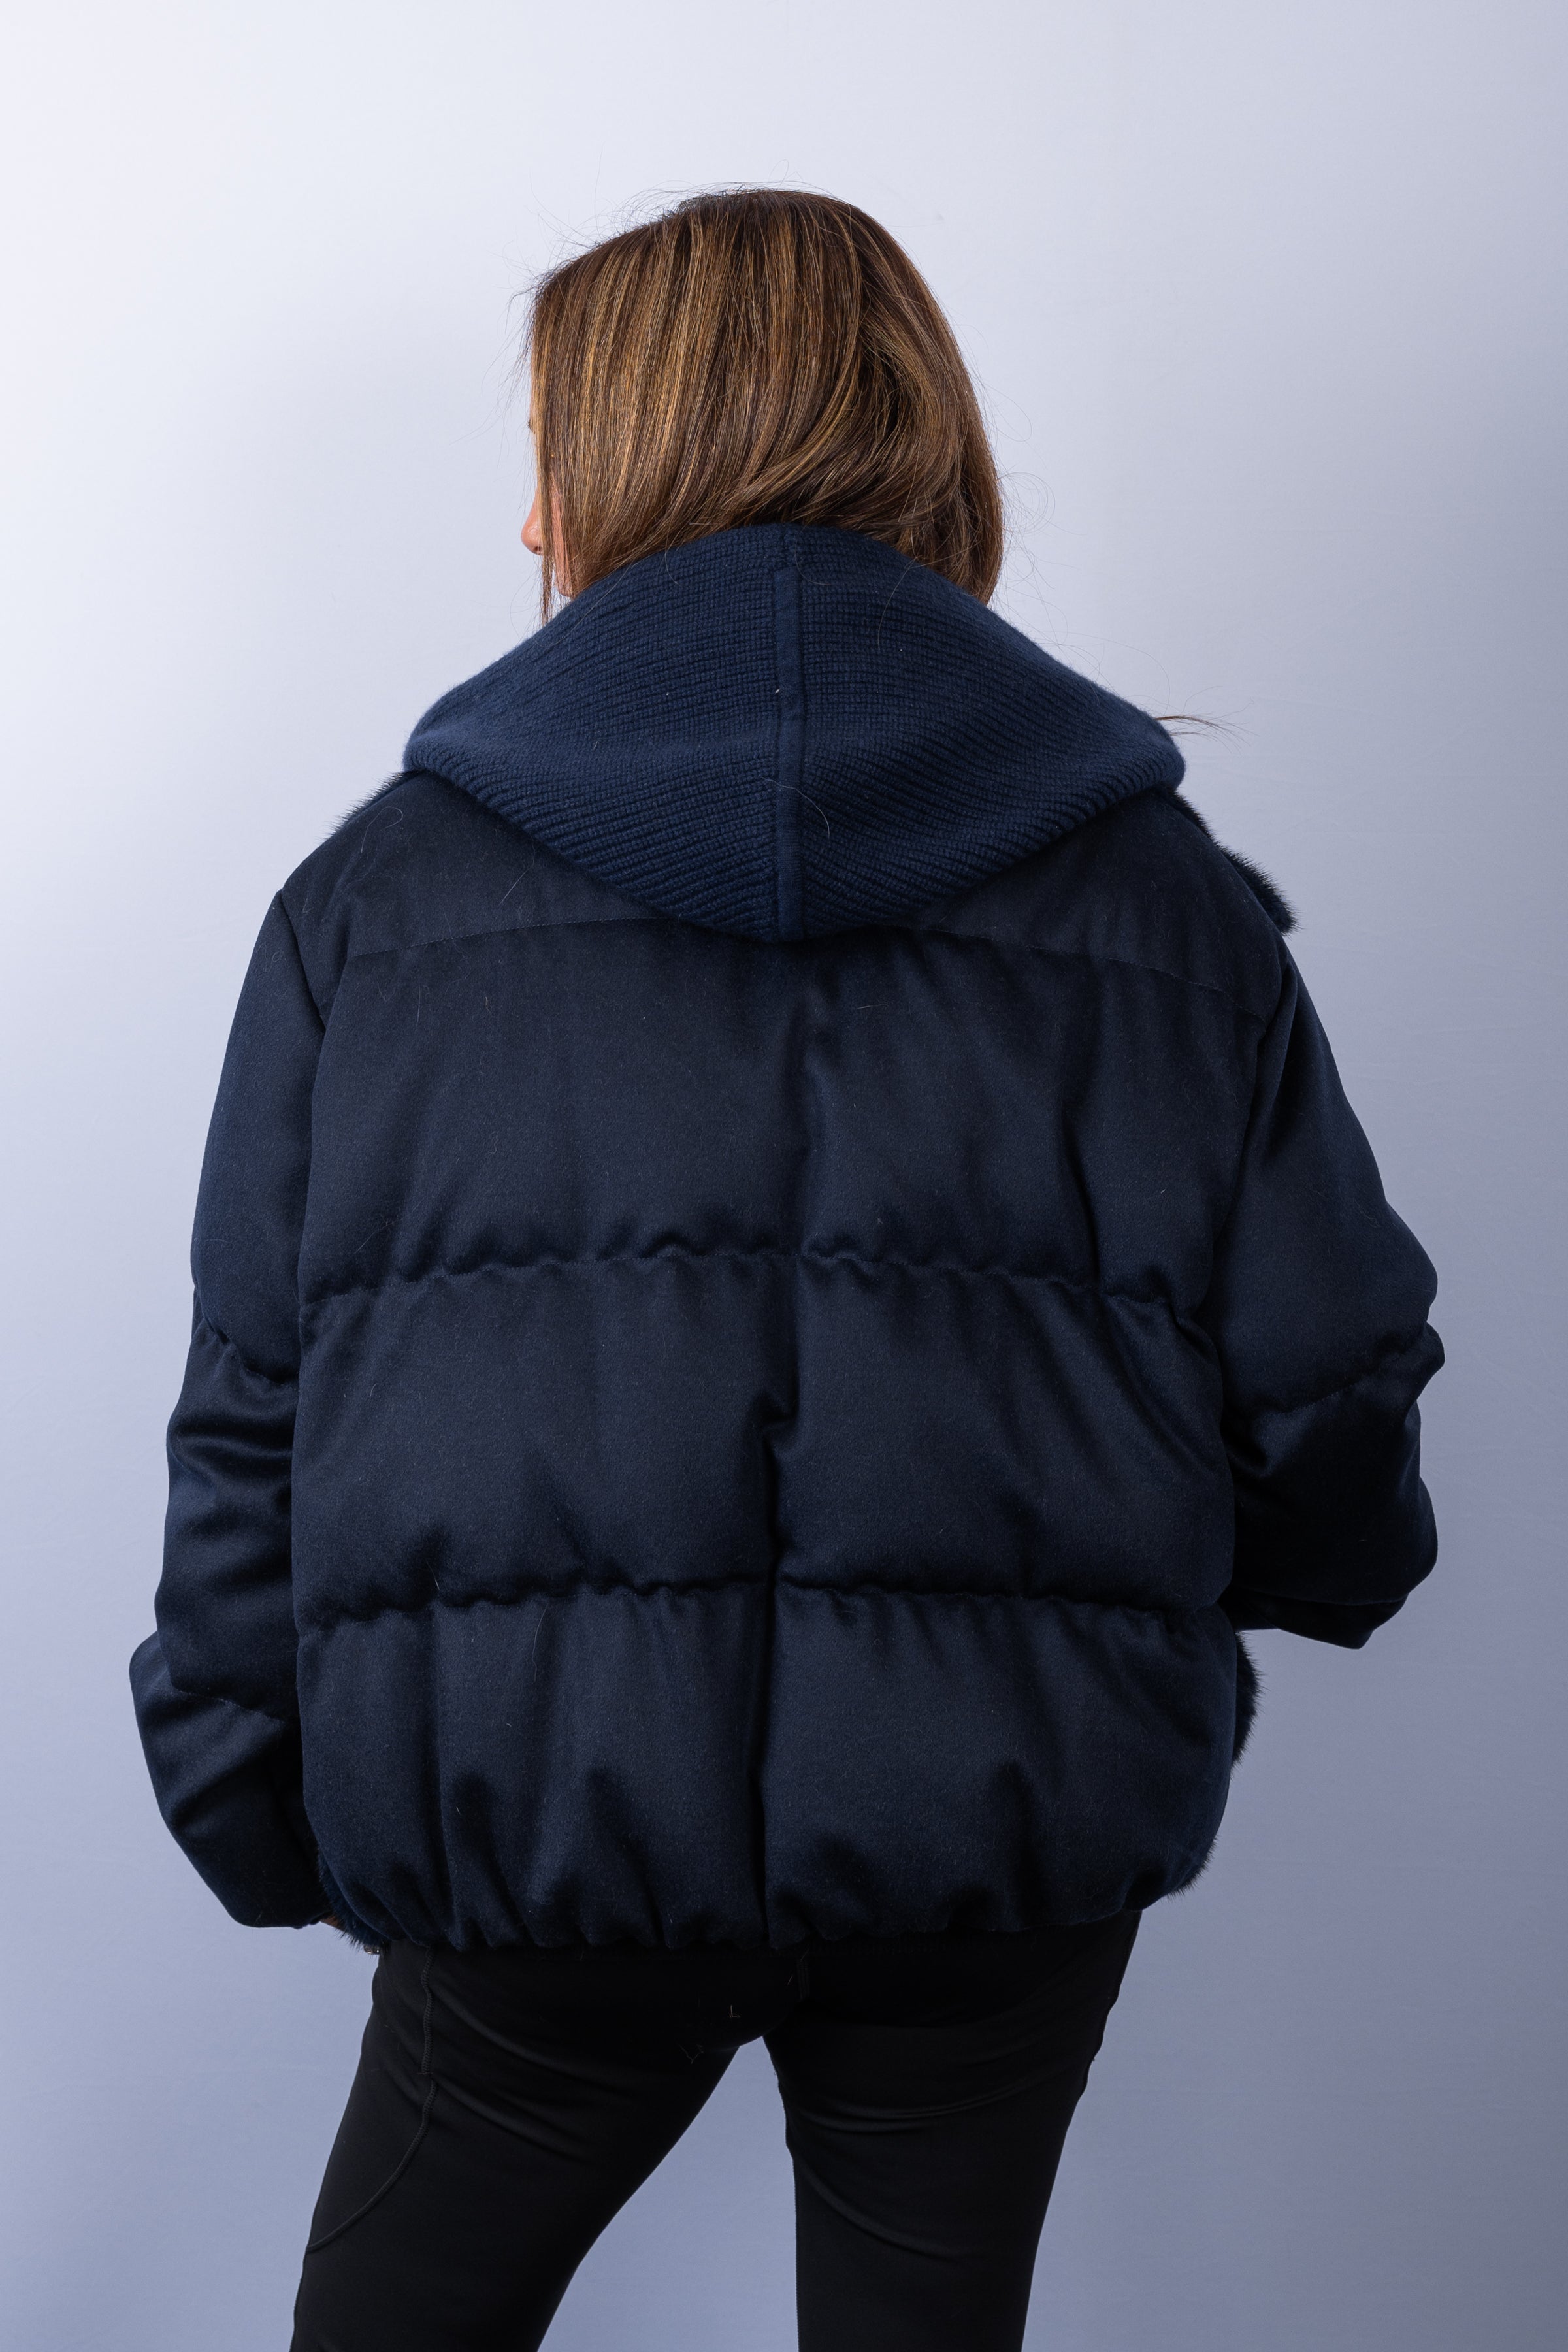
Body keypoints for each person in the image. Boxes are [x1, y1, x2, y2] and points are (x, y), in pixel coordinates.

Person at [130, 189, 1442, 2352]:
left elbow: (261, 1398)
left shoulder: (378, 900)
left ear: (636, 456)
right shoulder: (1160, 899)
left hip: (532, 1837)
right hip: (997, 1834)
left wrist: (251, 1787)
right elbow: (1330, 1401)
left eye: (547, 451)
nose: (526, 516)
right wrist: (1275, 1586)